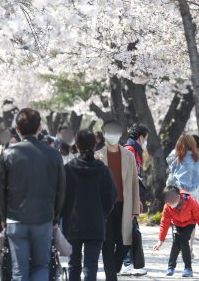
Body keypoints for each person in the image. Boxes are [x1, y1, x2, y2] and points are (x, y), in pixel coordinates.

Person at [0, 108, 65, 281]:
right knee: (41, 266)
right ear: (39, 127)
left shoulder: (8, 154)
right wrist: (55, 218)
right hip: (44, 219)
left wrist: (4, 216)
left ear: (17, 130)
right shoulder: (54, 155)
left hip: (15, 219)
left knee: (19, 271)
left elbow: (0, 189)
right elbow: (61, 190)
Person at [62, 130, 118, 281]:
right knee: (91, 266)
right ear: (95, 145)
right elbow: (112, 196)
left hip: (73, 224)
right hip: (96, 223)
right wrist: (102, 213)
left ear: (77, 146)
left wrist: (63, 215)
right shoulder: (103, 170)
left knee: (73, 265)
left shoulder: (67, 169)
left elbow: (60, 197)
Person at [95, 120, 141, 281]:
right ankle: (111, 277)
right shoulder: (98, 156)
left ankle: (113, 269)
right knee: (107, 244)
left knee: (125, 242)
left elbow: (135, 182)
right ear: (104, 133)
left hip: (124, 205)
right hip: (105, 207)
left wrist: (136, 207)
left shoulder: (128, 155)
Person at [153, 186, 199, 278]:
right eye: (167, 201)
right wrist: (160, 240)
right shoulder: (167, 206)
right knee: (176, 243)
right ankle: (171, 267)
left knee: (184, 241)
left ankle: (188, 268)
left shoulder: (191, 201)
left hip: (189, 223)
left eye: (171, 201)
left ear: (178, 197)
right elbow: (164, 223)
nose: (169, 203)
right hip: (176, 224)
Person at [166, 134, 199, 256]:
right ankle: (190, 247)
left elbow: (172, 175)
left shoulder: (175, 156)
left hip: (179, 191)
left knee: (177, 219)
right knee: (192, 221)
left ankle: (178, 246)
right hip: (194, 192)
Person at [120, 123, 149, 277]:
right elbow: (127, 178)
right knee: (128, 231)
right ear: (140, 137)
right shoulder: (130, 150)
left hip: (130, 196)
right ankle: (126, 264)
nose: (145, 142)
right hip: (126, 198)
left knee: (131, 231)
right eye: (145, 138)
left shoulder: (133, 150)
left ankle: (129, 263)